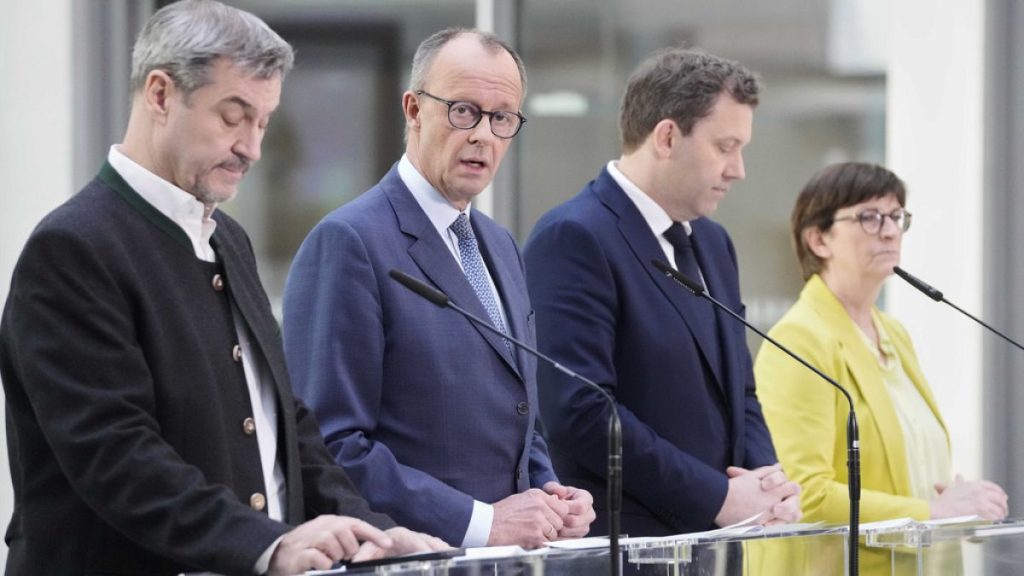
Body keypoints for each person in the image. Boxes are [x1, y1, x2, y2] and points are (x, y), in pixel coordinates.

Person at [0, 2, 447, 574]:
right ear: (160, 94)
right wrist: (268, 545)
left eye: (263, 122)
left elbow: (286, 423)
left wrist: (371, 534)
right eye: (233, 117)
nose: (252, 148)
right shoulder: (73, 248)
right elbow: (116, 456)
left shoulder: (227, 239)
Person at [282, 28, 595, 549]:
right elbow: (329, 447)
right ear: (413, 109)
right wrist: (481, 523)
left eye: (502, 118)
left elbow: (517, 415)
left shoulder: (500, 244)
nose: (483, 136)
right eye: (463, 111)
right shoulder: (349, 241)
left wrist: (548, 493)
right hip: (411, 556)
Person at [523, 47, 801, 537]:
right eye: (725, 147)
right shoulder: (574, 237)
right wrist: (716, 497)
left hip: (719, 546)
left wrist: (765, 482)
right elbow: (582, 413)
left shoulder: (713, 242)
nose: (738, 170)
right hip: (626, 547)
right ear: (667, 137)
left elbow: (740, 390)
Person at [753, 162, 1008, 574]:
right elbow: (805, 494)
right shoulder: (799, 339)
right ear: (819, 239)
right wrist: (931, 512)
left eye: (895, 217)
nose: (889, 231)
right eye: (869, 218)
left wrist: (962, 504)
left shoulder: (893, 334)